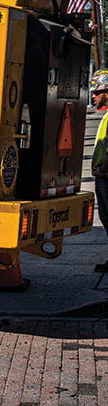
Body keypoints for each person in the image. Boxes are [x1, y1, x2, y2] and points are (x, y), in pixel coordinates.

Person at [92, 70, 108, 272]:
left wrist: (103, 169)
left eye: (97, 92)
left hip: (106, 176)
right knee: (105, 217)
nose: (93, 96)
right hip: (103, 175)